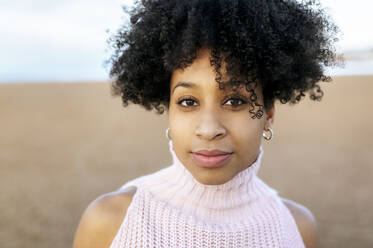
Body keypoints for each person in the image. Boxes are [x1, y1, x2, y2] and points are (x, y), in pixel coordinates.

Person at [73, 0, 339, 247]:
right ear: (169, 112)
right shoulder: (110, 222)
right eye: (188, 102)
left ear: (268, 114)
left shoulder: (298, 229)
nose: (209, 129)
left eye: (235, 101)